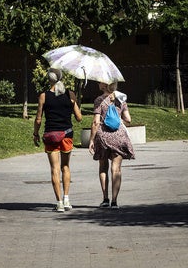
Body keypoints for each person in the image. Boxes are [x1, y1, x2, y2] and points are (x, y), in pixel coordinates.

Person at [33, 68, 83, 212]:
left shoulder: (43, 96)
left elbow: (38, 119)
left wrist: (35, 134)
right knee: (65, 167)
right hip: (66, 135)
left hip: (51, 135)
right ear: (61, 78)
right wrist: (74, 103)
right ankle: (67, 200)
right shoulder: (70, 94)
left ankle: (59, 202)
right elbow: (79, 118)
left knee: (54, 169)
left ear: (49, 79)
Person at [88, 81, 134, 209]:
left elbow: (96, 123)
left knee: (103, 167)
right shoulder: (121, 99)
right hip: (118, 136)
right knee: (116, 169)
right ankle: (114, 201)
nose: (98, 83)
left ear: (104, 85)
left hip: (103, 137)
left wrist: (91, 140)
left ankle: (105, 199)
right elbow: (128, 119)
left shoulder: (99, 100)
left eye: (100, 82)